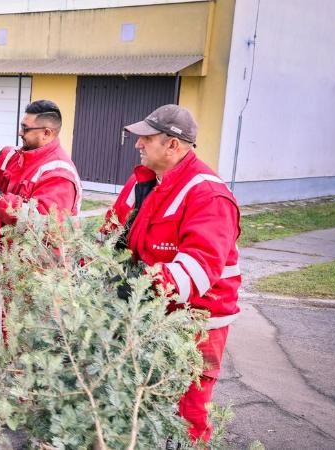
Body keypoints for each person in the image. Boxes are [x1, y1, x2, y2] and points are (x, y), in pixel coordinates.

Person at [103, 104, 241, 443]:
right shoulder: (151, 182)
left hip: (197, 323)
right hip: (155, 313)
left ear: (173, 145)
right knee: (146, 402)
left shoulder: (207, 194)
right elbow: (115, 233)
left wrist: (137, 288)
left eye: (146, 139)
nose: (138, 145)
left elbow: (196, 269)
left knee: (188, 412)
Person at [0, 100, 82, 341]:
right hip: (16, 268)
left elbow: (41, 220)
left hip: (41, 274)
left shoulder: (58, 173)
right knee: (13, 332)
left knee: (34, 340)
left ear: (47, 133)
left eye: (26, 128)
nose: (20, 132)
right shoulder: (16, 157)